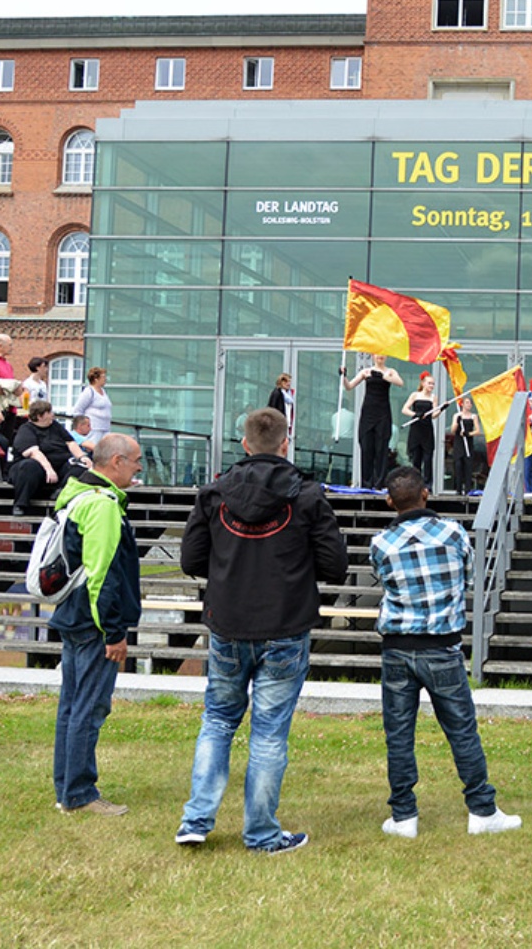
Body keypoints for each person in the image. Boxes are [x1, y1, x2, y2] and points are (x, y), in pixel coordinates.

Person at [176, 408, 345, 850]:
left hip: (231, 622)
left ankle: (197, 820)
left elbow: (191, 559)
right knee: (268, 731)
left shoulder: (215, 492)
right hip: (283, 625)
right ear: (284, 444)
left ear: (246, 445)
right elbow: (335, 565)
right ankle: (259, 833)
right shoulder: (305, 495)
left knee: (218, 720)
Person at [370, 466, 521, 839]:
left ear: (390, 501)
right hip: (442, 645)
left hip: (397, 649)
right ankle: (482, 809)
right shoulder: (453, 532)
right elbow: (469, 577)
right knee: (461, 731)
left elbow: (384, 581)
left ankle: (404, 816)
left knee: (399, 734)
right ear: (426, 493)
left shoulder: (381, 543)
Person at [48, 433, 143, 815]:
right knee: (88, 707)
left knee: (72, 706)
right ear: (116, 461)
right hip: (93, 624)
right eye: (136, 461)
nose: (139, 468)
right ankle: (79, 794)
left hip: (73, 615)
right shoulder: (102, 506)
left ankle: (66, 788)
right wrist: (114, 633)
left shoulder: (76, 494)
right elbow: (101, 575)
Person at [7, 400, 86, 517]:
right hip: (38, 466)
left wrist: (82, 457)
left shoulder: (55, 426)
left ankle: (60, 492)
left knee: (79, 467)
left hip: (60, 464)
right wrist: (49, 469)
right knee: (29, 466)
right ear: (40, 416)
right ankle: (20, 504)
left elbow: (70, 442)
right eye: (49, 412)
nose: (52, 415)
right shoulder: (26, 430)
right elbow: (34, 452)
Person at [343, 355, 401, 489]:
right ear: (373, 356)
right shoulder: (366, 372)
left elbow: (399, 382)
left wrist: (385, 376)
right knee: (367, 447)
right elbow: (349, 386)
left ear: (386, 357)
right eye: (377, 354)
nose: (380, 357)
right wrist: (343, 376)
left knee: (381, 448)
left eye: (383, 355)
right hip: (368, 412)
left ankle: (379, 483)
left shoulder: (390, 371)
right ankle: (366, 483)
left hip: (383, 412)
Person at [401, 373, 440, 481]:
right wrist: (415, 414)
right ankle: (415, 481)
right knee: (416, 458)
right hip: (416, 428)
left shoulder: (433, 398)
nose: (431, 386)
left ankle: (427, 484)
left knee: (428, 458)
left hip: (427, 429)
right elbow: (404, 409)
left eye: (433, 384)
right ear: (423, 383)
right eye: (429, 383)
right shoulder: (415, 395)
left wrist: (441, 410)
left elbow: (433, 415)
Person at [449, 396, 482, 493]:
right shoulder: (457, 415)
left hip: (468, 442)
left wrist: (468, 434)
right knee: (458, 465)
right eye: (466, 403)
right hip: (459, 442)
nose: (468, 405)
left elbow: (477, 431)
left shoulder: (473, 416)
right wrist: (457, 422)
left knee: (468, 465)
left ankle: (468, 488)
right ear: (462, 404)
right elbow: (453, 430)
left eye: (470, 403)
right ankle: (458, 489)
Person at [71, 366, 113, 436]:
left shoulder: (103, 391)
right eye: (103, 377)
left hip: (105, 428)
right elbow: (78, 410)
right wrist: (83, 426)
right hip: (94, 429)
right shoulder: (89, 392)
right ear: (96, 379)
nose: (105, 379)